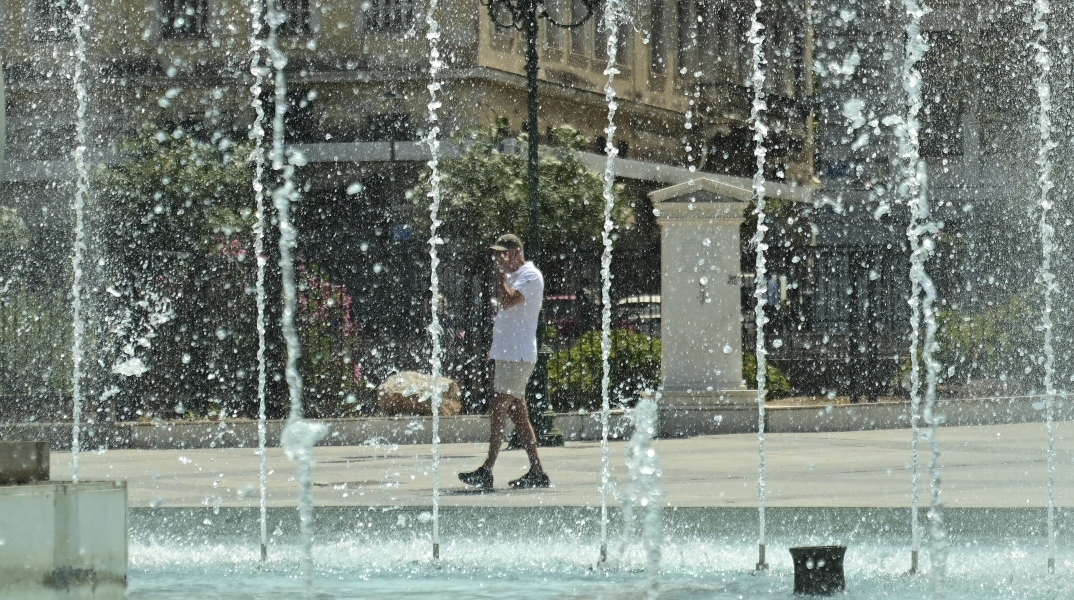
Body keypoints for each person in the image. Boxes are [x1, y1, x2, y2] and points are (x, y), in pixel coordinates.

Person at [458, 233, 550, 490]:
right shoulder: (514, 278)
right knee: (519, 415)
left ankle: (487, 469)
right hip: (508, 355)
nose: (499, 258)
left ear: (517, 252)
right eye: (497, 254)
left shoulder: (531, 276)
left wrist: (500, 276)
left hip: (517, 356)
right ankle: (537, 471)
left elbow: (509, 301)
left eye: (504, 253)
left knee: (498, 408)